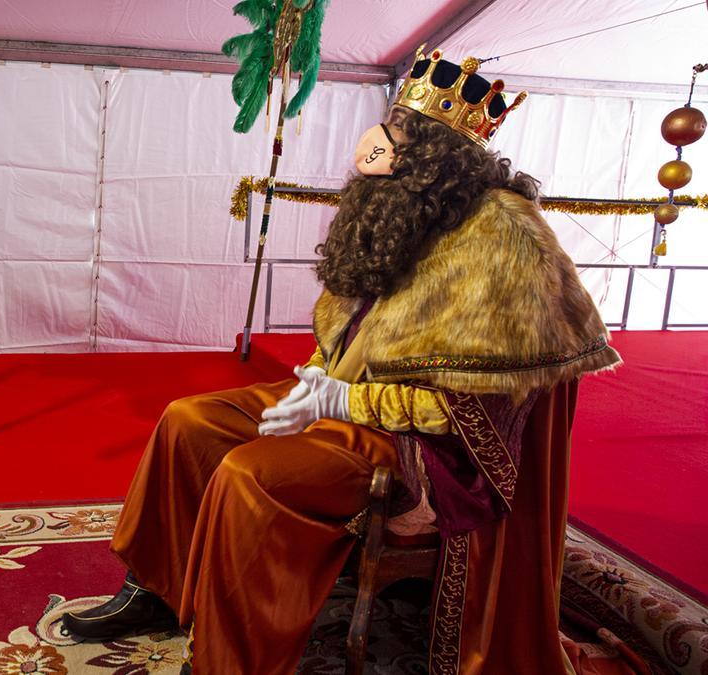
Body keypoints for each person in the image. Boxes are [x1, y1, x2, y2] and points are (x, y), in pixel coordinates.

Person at [63, 49, 624, 674]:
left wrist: (339, 401)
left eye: (399, 135)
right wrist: (318, 382)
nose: (376, 144)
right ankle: (156, 588)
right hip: (347, 397)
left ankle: (229, 658)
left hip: (416, 443)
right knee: (187, 421)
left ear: (435, 155)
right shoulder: (403, 209)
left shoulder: (502, 240)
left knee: (251, 477)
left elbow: (460, 410)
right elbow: (353, 327)